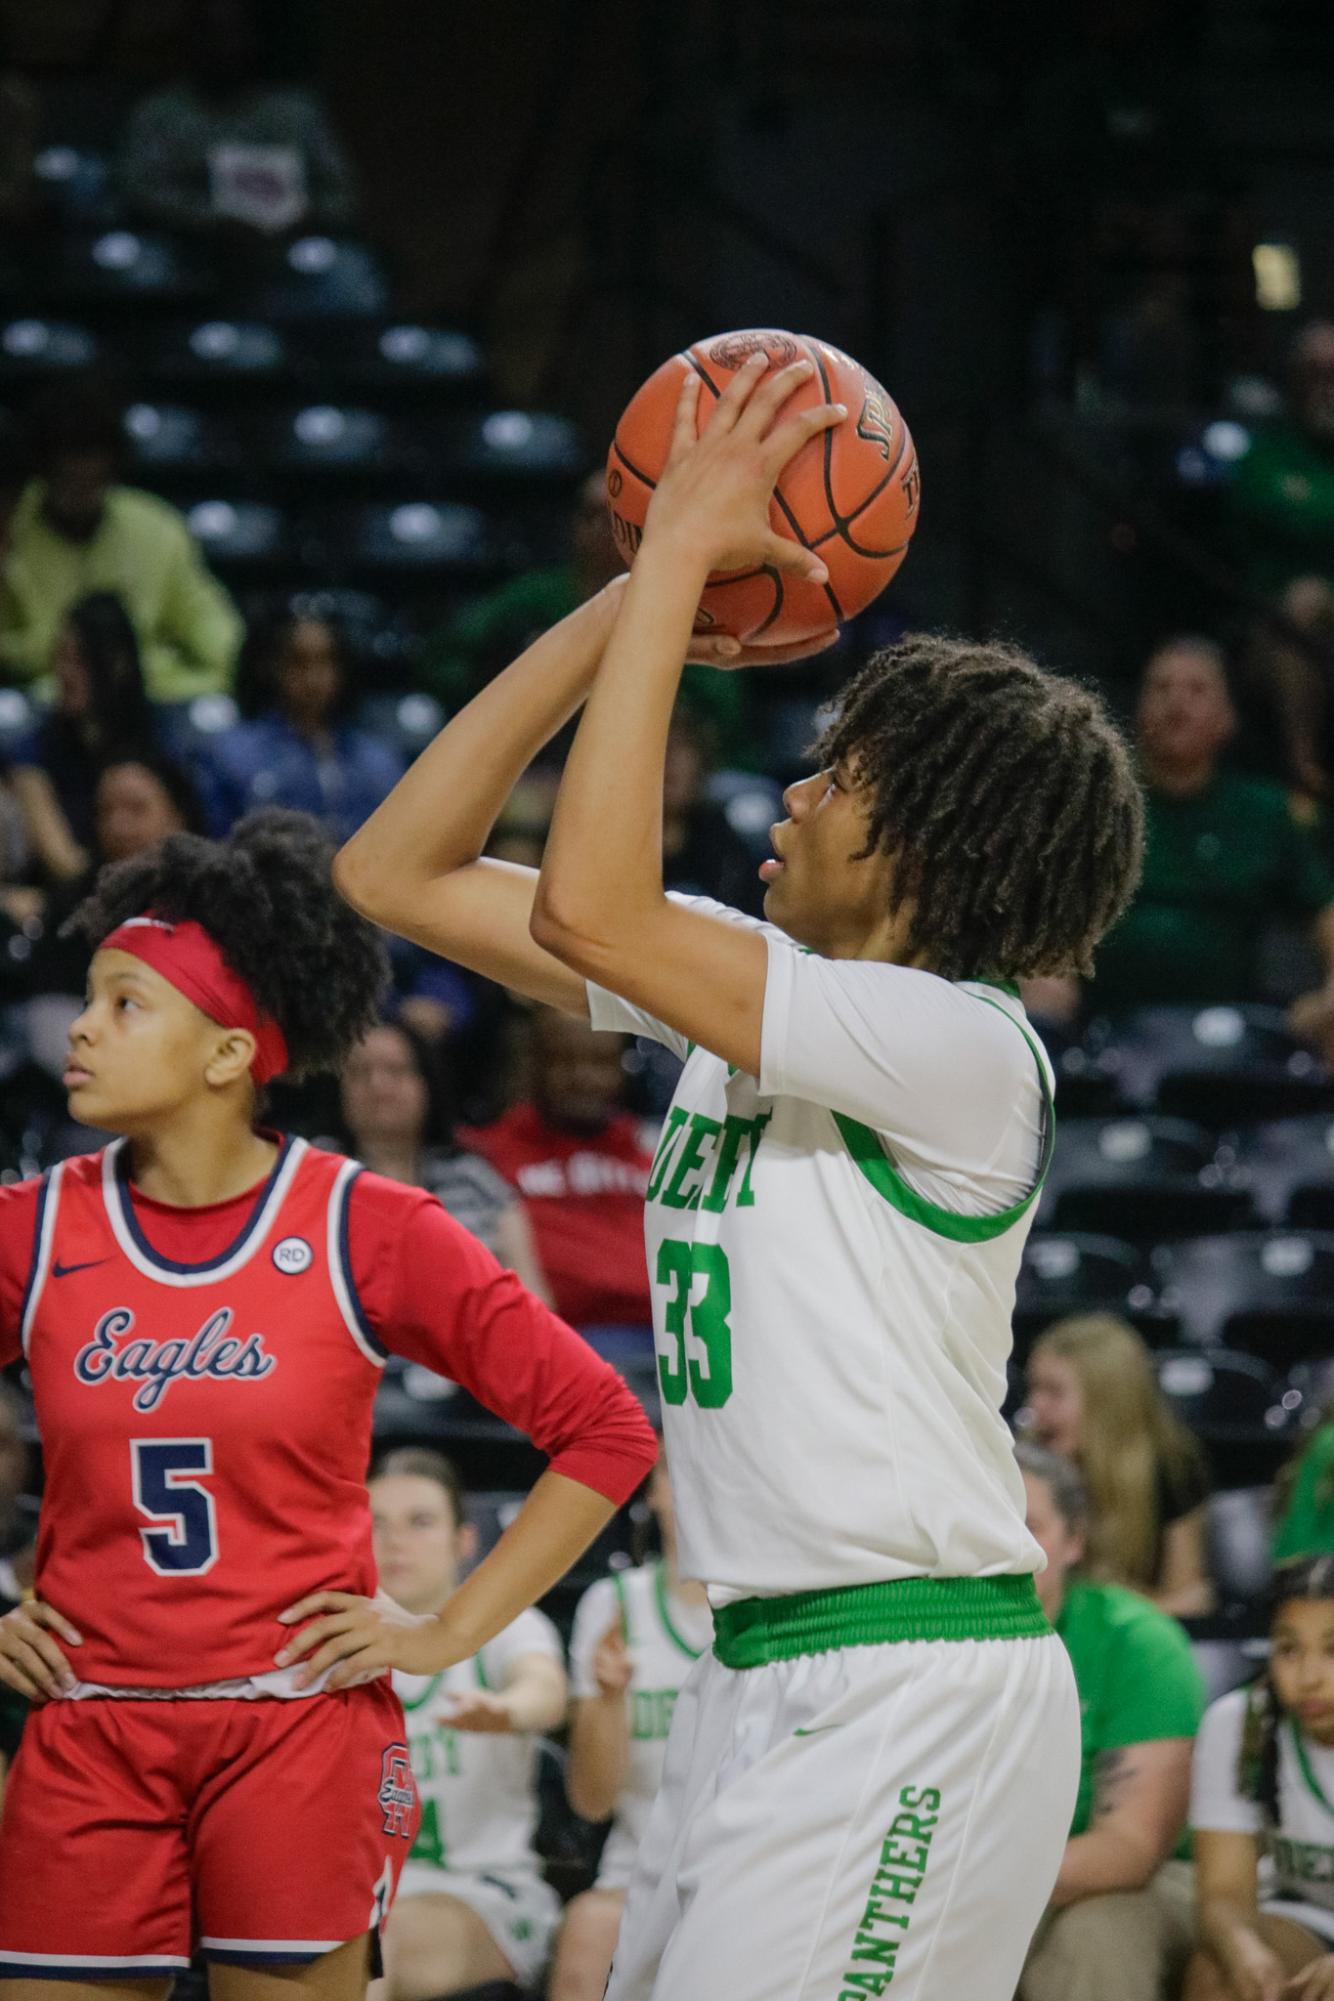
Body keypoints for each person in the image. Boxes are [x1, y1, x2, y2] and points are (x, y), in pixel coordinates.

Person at [333, 351, 1146, 1998]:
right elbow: (395, 867)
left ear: (923, 839)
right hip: (749, 1674)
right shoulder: (743, 987)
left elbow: (595, 909)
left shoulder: (960, 1050)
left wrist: (677, 577)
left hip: (905, 1679)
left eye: (835, 774)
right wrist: (636, 596)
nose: (788, 790)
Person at [0, 807, 656, 1988]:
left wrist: (450, 1627)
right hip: (89, 1721)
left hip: (295, 1729)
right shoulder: (34, 1229)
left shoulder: (367, 1225)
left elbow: (605, 1428)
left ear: (228, 1053)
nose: (80, 1032)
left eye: (122, 1004)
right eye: (89, 1000)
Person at [370, 1449, 567, 1999]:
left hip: (487, 1892)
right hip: (365, 1894)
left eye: (420, 1522)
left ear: (464, 1541)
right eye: (376, 1524)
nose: (394, 1541)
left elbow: (546, 1692)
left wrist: (509, 1711)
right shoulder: (336, 1639)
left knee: (373, 1946)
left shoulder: (504, 1626)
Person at [1015, 1442, 1204, 2001]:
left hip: (1146, 1874)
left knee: (1095, 1942)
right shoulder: (925, 1641)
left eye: (1029, 1527)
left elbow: (1129, 1848)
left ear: (1074, 1541)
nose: (1007, 1546)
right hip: (980, 1874)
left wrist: (967, 1882)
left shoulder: (1137, 1642)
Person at [1082, 637, 1334, 1027]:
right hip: (1100, 1025)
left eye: (1196, 689)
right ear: (1137, 708)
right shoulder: (1093, 803)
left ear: (1228, 717)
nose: (1176, 703)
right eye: (1161, 688)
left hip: (1231, 1029)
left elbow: (1324, 912)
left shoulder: (1264, 811)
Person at [420, 471, 747, 769]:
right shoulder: (532, 596)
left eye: (610, 517)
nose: (597, 529)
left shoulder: (683, 607)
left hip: (648, 755)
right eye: (588, 516)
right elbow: (444, 662)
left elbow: (724, 715)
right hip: (539, 755)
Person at [552, 1450, 711, 2001]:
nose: (695, 1483)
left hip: (746, 1869)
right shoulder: (614, 1604)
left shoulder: (785, 1601)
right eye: (677, 1471)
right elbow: (591, 1802)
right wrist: (609, 1701)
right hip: (639, 1869)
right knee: (589, 1929)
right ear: (652, 1493)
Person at [0, 384, 243, 704]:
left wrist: (242, 665)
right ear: (45, 472)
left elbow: (204, 616)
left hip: (145, 696)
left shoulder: (155, 526)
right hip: (43, 698)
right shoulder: (9, 522)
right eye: (69, 480)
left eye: (94, 481)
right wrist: (59, 653)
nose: (82, 495)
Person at [1187, 1555, 1334, 2001]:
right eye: (1289, 1650)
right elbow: (1225, 1890)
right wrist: (1243, 1949)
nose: (1308, 1677)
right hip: (1306, 1920)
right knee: (1218, 1976)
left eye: (1333, 1650)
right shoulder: (1240, 1724)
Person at [462, 1008, 653, 1331]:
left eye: (600, 1062)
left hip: (660, 1343)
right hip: (554, 1344)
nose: (583, 1077)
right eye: (564, 1060)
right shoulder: (486, 1154)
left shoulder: (652, 1152)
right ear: (535, 1064)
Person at [338, 1017, 551, 1300]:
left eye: (396, 1070)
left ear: (427, 1083)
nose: (378, 1085)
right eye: (360, 1072)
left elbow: (534, 1298)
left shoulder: (474, 1177)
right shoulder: (317, 1173)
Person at [116, 0, 357, 241]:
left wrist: (306, 218)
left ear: (253, 39)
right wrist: (210, 221)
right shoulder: (160, 114)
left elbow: (340, 190)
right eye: (207, 32)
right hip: (184, 245)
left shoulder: (295, 112)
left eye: (230, 33)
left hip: (291, 246)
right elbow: (140, 188)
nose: (219, 46)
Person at [1026, 1314, 1215, 1616]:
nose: (1035, 1406)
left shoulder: (1170, 1465)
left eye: (1054, 1392)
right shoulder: (1024, 1468)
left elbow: (1189, 1594)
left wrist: (1107, 1623)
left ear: (1106, 1400)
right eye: (1033, 1389)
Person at [211, 610, 403, 843]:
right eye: (298, 662)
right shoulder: (232, 755)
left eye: (326, 661)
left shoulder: (378, 760)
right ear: (272, 666)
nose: (313, 678)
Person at [5, 593, 158, 874]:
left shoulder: (161, 739)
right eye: (61, 658)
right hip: (73, 894)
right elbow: (63, 861)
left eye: (80, 661)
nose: (65, 674)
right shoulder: (33, 749)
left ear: (119, 664)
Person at [661, 708, 764, 917]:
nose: (668, 757)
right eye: (658, 744)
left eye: (680, 745)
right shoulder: (606, 847)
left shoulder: (729, 852)